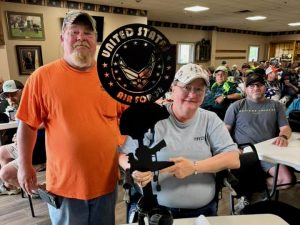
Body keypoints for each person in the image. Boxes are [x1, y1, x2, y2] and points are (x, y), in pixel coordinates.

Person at [16, 11, 126, 225]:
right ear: (62, 38)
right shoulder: (41, 77)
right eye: (73, 32)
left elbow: (129, 121)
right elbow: (27, 125)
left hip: (106, 182)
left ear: (95, 39)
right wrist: (24, 164)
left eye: (87, 33)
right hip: (64, 186)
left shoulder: (113, 78)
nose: (81, 38)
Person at [119, 63, 240, 219]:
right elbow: (123, 155)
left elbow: (233, 158)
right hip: (157, 211)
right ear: (173, 88)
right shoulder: (152, 117)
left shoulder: (210, 119)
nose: (192, 94)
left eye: (199, 89)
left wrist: (194, 167)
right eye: (187, 87)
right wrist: (135, 169)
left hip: (202, 213)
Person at [224, 73, 295, 213]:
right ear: (246, 89)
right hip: (245, 153)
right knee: (241, 173)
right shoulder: (236, 106)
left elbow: (285, 128)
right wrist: (232, 148)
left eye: (259, 85)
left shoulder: (276, 106)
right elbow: (225, 131)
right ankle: (247, 196)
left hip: (269, 153)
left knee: (287, 180)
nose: (255, 88)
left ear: (264, 87)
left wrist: (283, 137)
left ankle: (252, 192)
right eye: (251, 85)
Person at [0, 80, 24, 195]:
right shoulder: (19, 109)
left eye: (13, 94)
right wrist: (19, 134)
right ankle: (13, 185)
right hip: (22, 143)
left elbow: (47, 123)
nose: (10, 99)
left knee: (5, 173)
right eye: (7, 96)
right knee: (2, 151)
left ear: (22, 92)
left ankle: (33, 189)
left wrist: (22, 134)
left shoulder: (31, 104)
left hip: (36, 147)